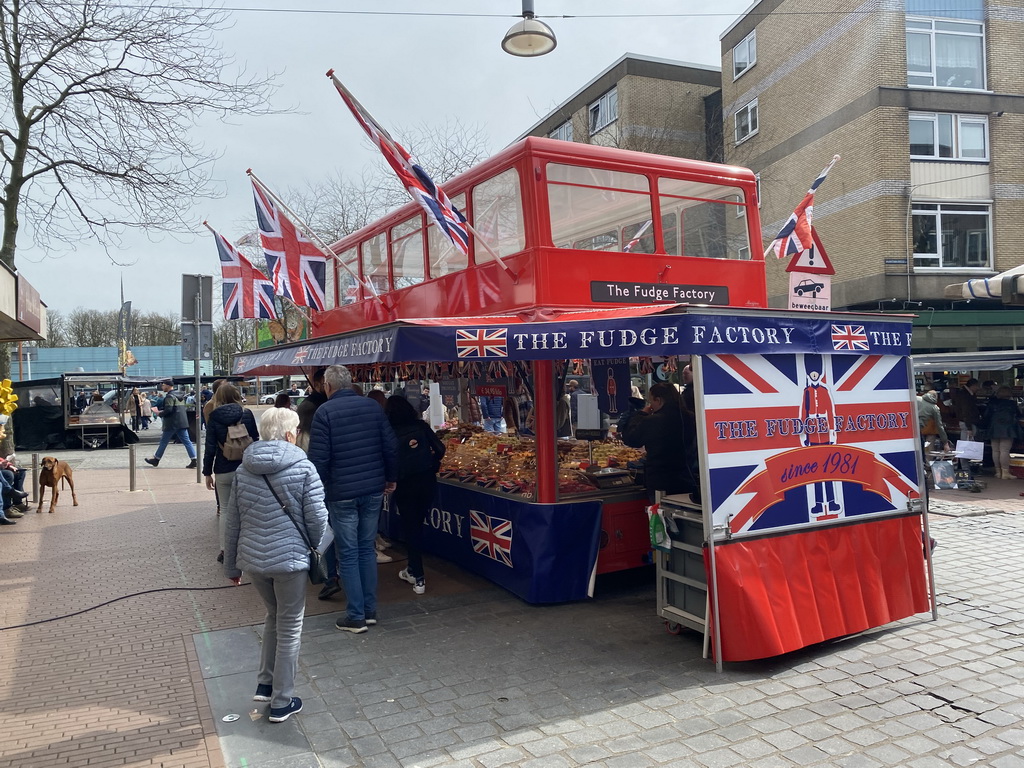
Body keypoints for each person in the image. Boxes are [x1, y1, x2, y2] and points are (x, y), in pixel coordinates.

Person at [222, 407, 328, 724]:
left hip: (254, 562)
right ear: (289, 434)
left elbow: (232, 523)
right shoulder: (304, 467)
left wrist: (232, 568)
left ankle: (265, 684)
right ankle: (282, 701)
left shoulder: (244, 470)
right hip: (291, 561)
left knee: (273, 615)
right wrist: (314, 546)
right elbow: (318, 519)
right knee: (290, 626)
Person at [307, 365, 397, 633]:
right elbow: (390, 446)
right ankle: (369, 611)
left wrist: (314, 490)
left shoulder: (324, 412)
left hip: (341, 493)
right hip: (372, 489)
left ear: (328, 386)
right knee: (365, 549)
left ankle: (356, 615)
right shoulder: (372, 408)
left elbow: (319, 459)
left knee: (347, 553)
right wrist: (391, 478)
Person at [385, 395, 446, 595]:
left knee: (411, 528)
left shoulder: (389, 432)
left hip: (405, 483)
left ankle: (418, 576)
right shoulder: (420, 426)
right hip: (427, 480)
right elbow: (440, 448)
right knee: (417, 524)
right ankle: (413, 569)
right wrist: (433, 463)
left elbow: (388, 459)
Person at [204, 383, 260, 563]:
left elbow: (210, 447)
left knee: (226, 511)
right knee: (249, 509)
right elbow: (256, 440)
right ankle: (251, 547)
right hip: (246, 468)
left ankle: (225, 550)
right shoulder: (247, 415)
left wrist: (207, 472)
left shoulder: (214, 417)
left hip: (223, 469)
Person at [620, 381, 700, 503]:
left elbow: (632, 439)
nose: (650, 404)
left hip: (660, 480)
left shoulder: (653, 420)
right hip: (687, 477)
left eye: (651, 401)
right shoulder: (690, 417)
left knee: (662, 517)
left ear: (658, 400)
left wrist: (641, 414)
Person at [145, 380, 198, 469]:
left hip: (172, 423)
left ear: (168, 386)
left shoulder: (170, 396)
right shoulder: (180, 396)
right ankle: (194, 459)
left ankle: (156, 459)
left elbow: (169, 410)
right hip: (181, 422)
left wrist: (159, 413)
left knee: (164, 441)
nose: (162, 387)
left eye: (163, 385)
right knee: (187, 441)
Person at [979, 385, 1021, 480]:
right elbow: (1019, 415)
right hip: (1008, 429)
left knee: (995, 450)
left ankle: (998, 472)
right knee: (1004, 450)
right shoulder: (1012, 404)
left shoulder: (992, 403)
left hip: (993, 428)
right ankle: (1005, 472)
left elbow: (986, 416)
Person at [295, 367, 328, 453]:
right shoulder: (309, 405)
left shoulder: (324, 401)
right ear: (317, 384)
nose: (328, 387)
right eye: (325, 384)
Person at [951, 379, 981, 471]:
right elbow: (966, 412)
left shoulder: (962, 394)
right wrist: (969, 427)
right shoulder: (965, 395)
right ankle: (965, 468)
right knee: (965, 446)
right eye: (977, 386)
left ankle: (966, 467)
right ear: (973, 385)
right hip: (967, 423)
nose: (978, 388)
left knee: (965, 445)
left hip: (966, 422)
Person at [917, 389, 950, 457]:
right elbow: (939, 426)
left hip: (907, 428)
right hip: (920, 429)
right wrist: (945, 442)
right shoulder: (934, 408)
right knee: (925, 451)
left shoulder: (916, 399)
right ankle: (926, 464)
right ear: (936, 397)